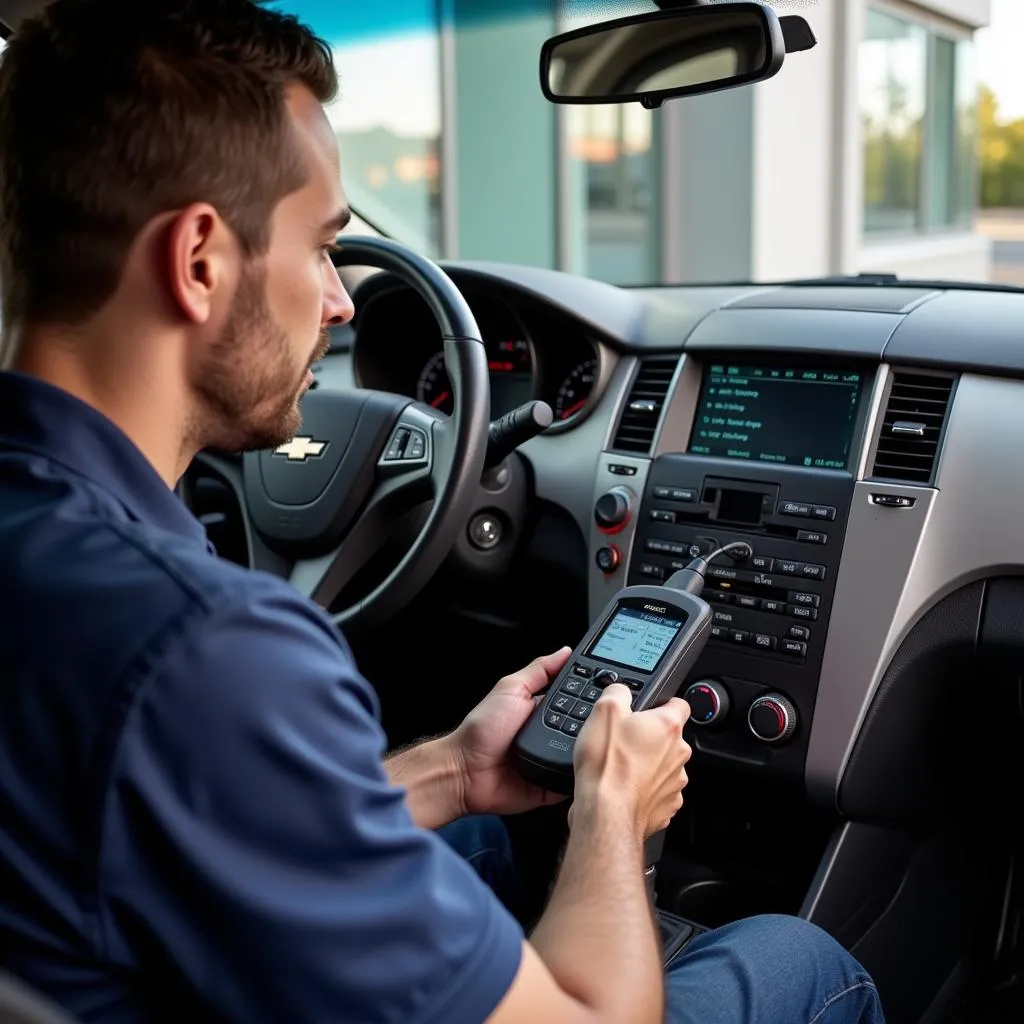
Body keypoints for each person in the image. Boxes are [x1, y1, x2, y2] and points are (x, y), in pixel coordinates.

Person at [0, 2, 885, 1022]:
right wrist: (611, 813)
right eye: (325, 246)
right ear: (200, 259)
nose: (338, 301)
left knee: (476, 838)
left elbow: (217, 804)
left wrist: (455, 770)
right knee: (797, 956)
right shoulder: (206, 650)